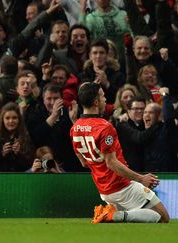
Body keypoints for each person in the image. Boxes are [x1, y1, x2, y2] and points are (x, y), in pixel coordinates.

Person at [70, 82, 169, 223]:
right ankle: (113, 215)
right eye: (103, 97)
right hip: (121, 185)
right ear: (96, 102)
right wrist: (141, 179)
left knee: (134, 219)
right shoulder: (104, 127)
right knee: (163, 217)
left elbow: (84, 162)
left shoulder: (75, 128)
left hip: (103, 190)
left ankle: (113, 215)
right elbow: (111, 163)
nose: (105, 100)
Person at [0, 102, 35, 172]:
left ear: (19, 120)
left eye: (14, 118)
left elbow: (31, 163)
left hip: (20, 177)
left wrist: (19, 154)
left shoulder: (25, 136)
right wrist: (2, 154)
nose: (11, 121)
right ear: (2, 120)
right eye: (7, 118)